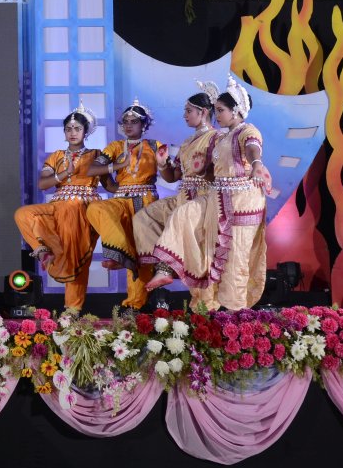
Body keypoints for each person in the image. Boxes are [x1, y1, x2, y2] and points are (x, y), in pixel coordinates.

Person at [146, 76, 271, 311]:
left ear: (236, 111)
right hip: (217, 197)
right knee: (184, 215)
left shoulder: (247, 131)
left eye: (221, 110)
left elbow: (253, 147)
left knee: (235, 259)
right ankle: (165, 270)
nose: (218, 115)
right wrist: (190, 169)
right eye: (216, 110)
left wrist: (256, 164)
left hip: (242, 202)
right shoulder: (222, 136)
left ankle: (234, 315)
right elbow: (209, 173)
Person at [13, 102, 102, 313]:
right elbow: (42, 184)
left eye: (77, 129)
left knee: (77, 257)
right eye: (69, 129)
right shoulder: (55, 156)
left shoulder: (96, 155)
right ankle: (43, 251)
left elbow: (109, 183)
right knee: (23, 213)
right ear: (64, 132)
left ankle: (72, 309)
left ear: (86, 131)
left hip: (83, 210)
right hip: (57, 207)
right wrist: (65, 174)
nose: (73, 133)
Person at [134, 85, 218, 308]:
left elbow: (220, 171)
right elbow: (173, 177)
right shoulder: (188, 142)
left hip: (204, 198)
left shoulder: (217, 138)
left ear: (203, 112)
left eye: (188, 111)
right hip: (183, 195)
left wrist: (205, 169)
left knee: (197, 253)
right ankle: (164, 265)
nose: (184, 115)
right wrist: (163, 165)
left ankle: (167, 271)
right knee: (144, 216)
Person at [85, 100, 165, 311]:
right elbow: (92, 170)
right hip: (121, 199)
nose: (128, 126)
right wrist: (115, 168)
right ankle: (120, 253)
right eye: (125, 122)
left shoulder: (155, 146)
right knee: (96, 209)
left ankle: (136, 303)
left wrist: (166, 164)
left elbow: (171, 174)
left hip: (146, 201)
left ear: (144, 125)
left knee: (144, 252)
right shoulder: (115, 147)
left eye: (134, 122)